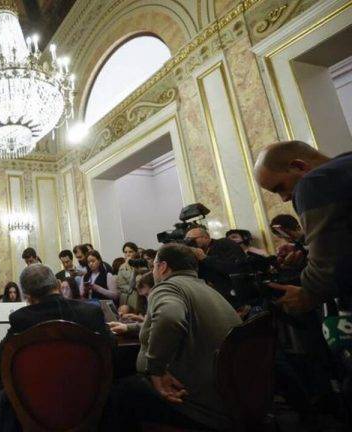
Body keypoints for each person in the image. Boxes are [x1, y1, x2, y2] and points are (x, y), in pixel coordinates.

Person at [101, 243, 241, 432]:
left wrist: (156, 369)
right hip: (228, 395)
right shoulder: (207, 289)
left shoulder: (168, 287)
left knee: (115, 394)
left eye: (154, 265)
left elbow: (169, 318)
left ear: (162, 267)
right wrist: (130, 327)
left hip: (193, 401)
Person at [0, 264, 113, 432]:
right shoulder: (91, 312)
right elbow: (111, 349)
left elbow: (0, 355)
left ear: (27, 296)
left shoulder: (21, 318)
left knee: (2, 397)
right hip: (87, 398)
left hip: (36, 402)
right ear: (57, 284)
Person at [255, 140, 352, 312]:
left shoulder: (314, 183)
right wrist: (307, 251)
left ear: (299, 166)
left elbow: (327, 270)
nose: (284, 198)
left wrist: (307, 293)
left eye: (279, 188)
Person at [184, 226, 245, 305]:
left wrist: (205, 258)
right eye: (187, 240)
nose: (190, 243)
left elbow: (234, 267)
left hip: (235, 293)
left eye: (192, 239)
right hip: (213, 297)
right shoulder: (195, 253)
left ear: (206, 237)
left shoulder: (224, 243)